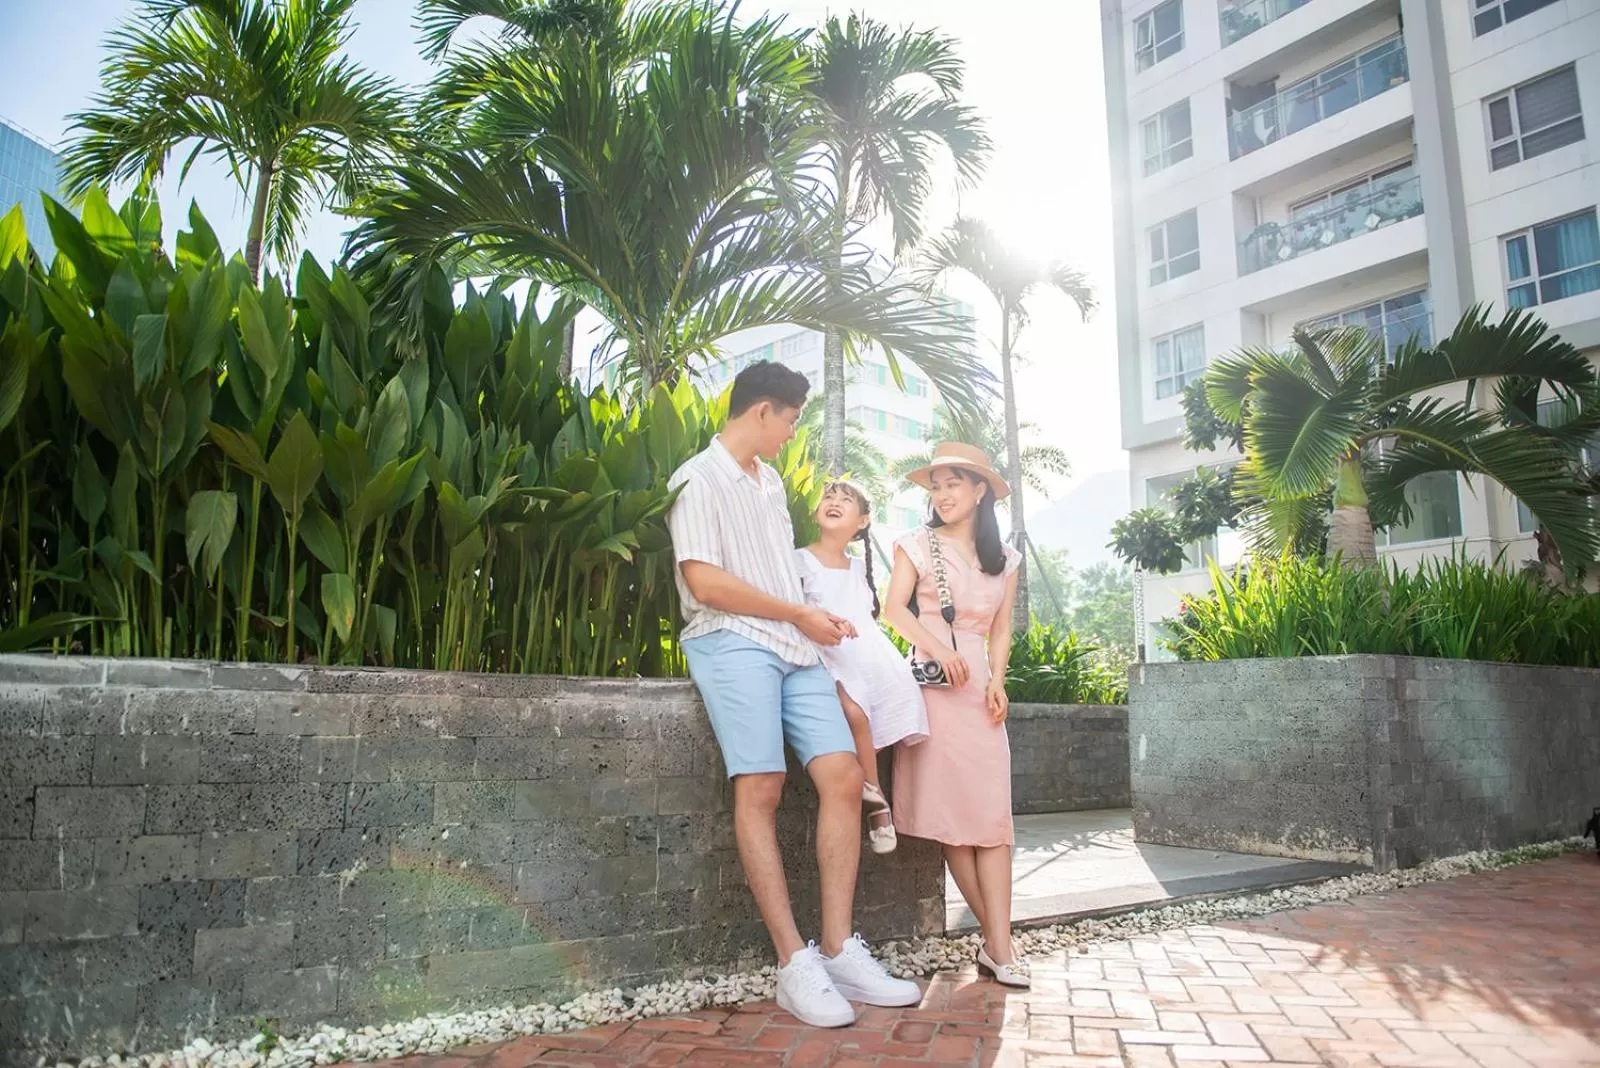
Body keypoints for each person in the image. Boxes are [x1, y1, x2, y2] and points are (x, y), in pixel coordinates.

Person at [665, 360, 923, 1028]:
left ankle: (838, 950)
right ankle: (793, 964)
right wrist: (797, 613)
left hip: (796, 646)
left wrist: (813, 617)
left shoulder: (771, 481)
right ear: (762, 411)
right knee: (762, 787)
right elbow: (704, 583)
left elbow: (779, 573)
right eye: (790, 420)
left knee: (843, 778)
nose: (790, 434)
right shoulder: (696, 479)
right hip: (730, 641)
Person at [881, 442, 1030, 988]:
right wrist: (940, 650)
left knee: (992, 821)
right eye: (936, 486)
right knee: (955, 824)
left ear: (979, 490)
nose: (942, 495)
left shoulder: (1005, 559)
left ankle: (997, 942)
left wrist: (999, 680)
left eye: (953, 484)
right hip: (934, 687)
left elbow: (1001, 628)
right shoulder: (916, 544)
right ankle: (999, 945)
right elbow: (893, 611)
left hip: (981, 693)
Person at [795, 481, 931, 855]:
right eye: (828, 497)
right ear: (816, 512)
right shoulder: (800, 560)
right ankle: (877, 800)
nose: (834, 502)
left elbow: (864, 615)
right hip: (825, 649)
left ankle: (871, 789)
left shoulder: (858, 568)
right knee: (855, 711)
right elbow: (800, 611)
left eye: (846, 500)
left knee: (895, 699)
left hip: (865, 649)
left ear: (863, 521)